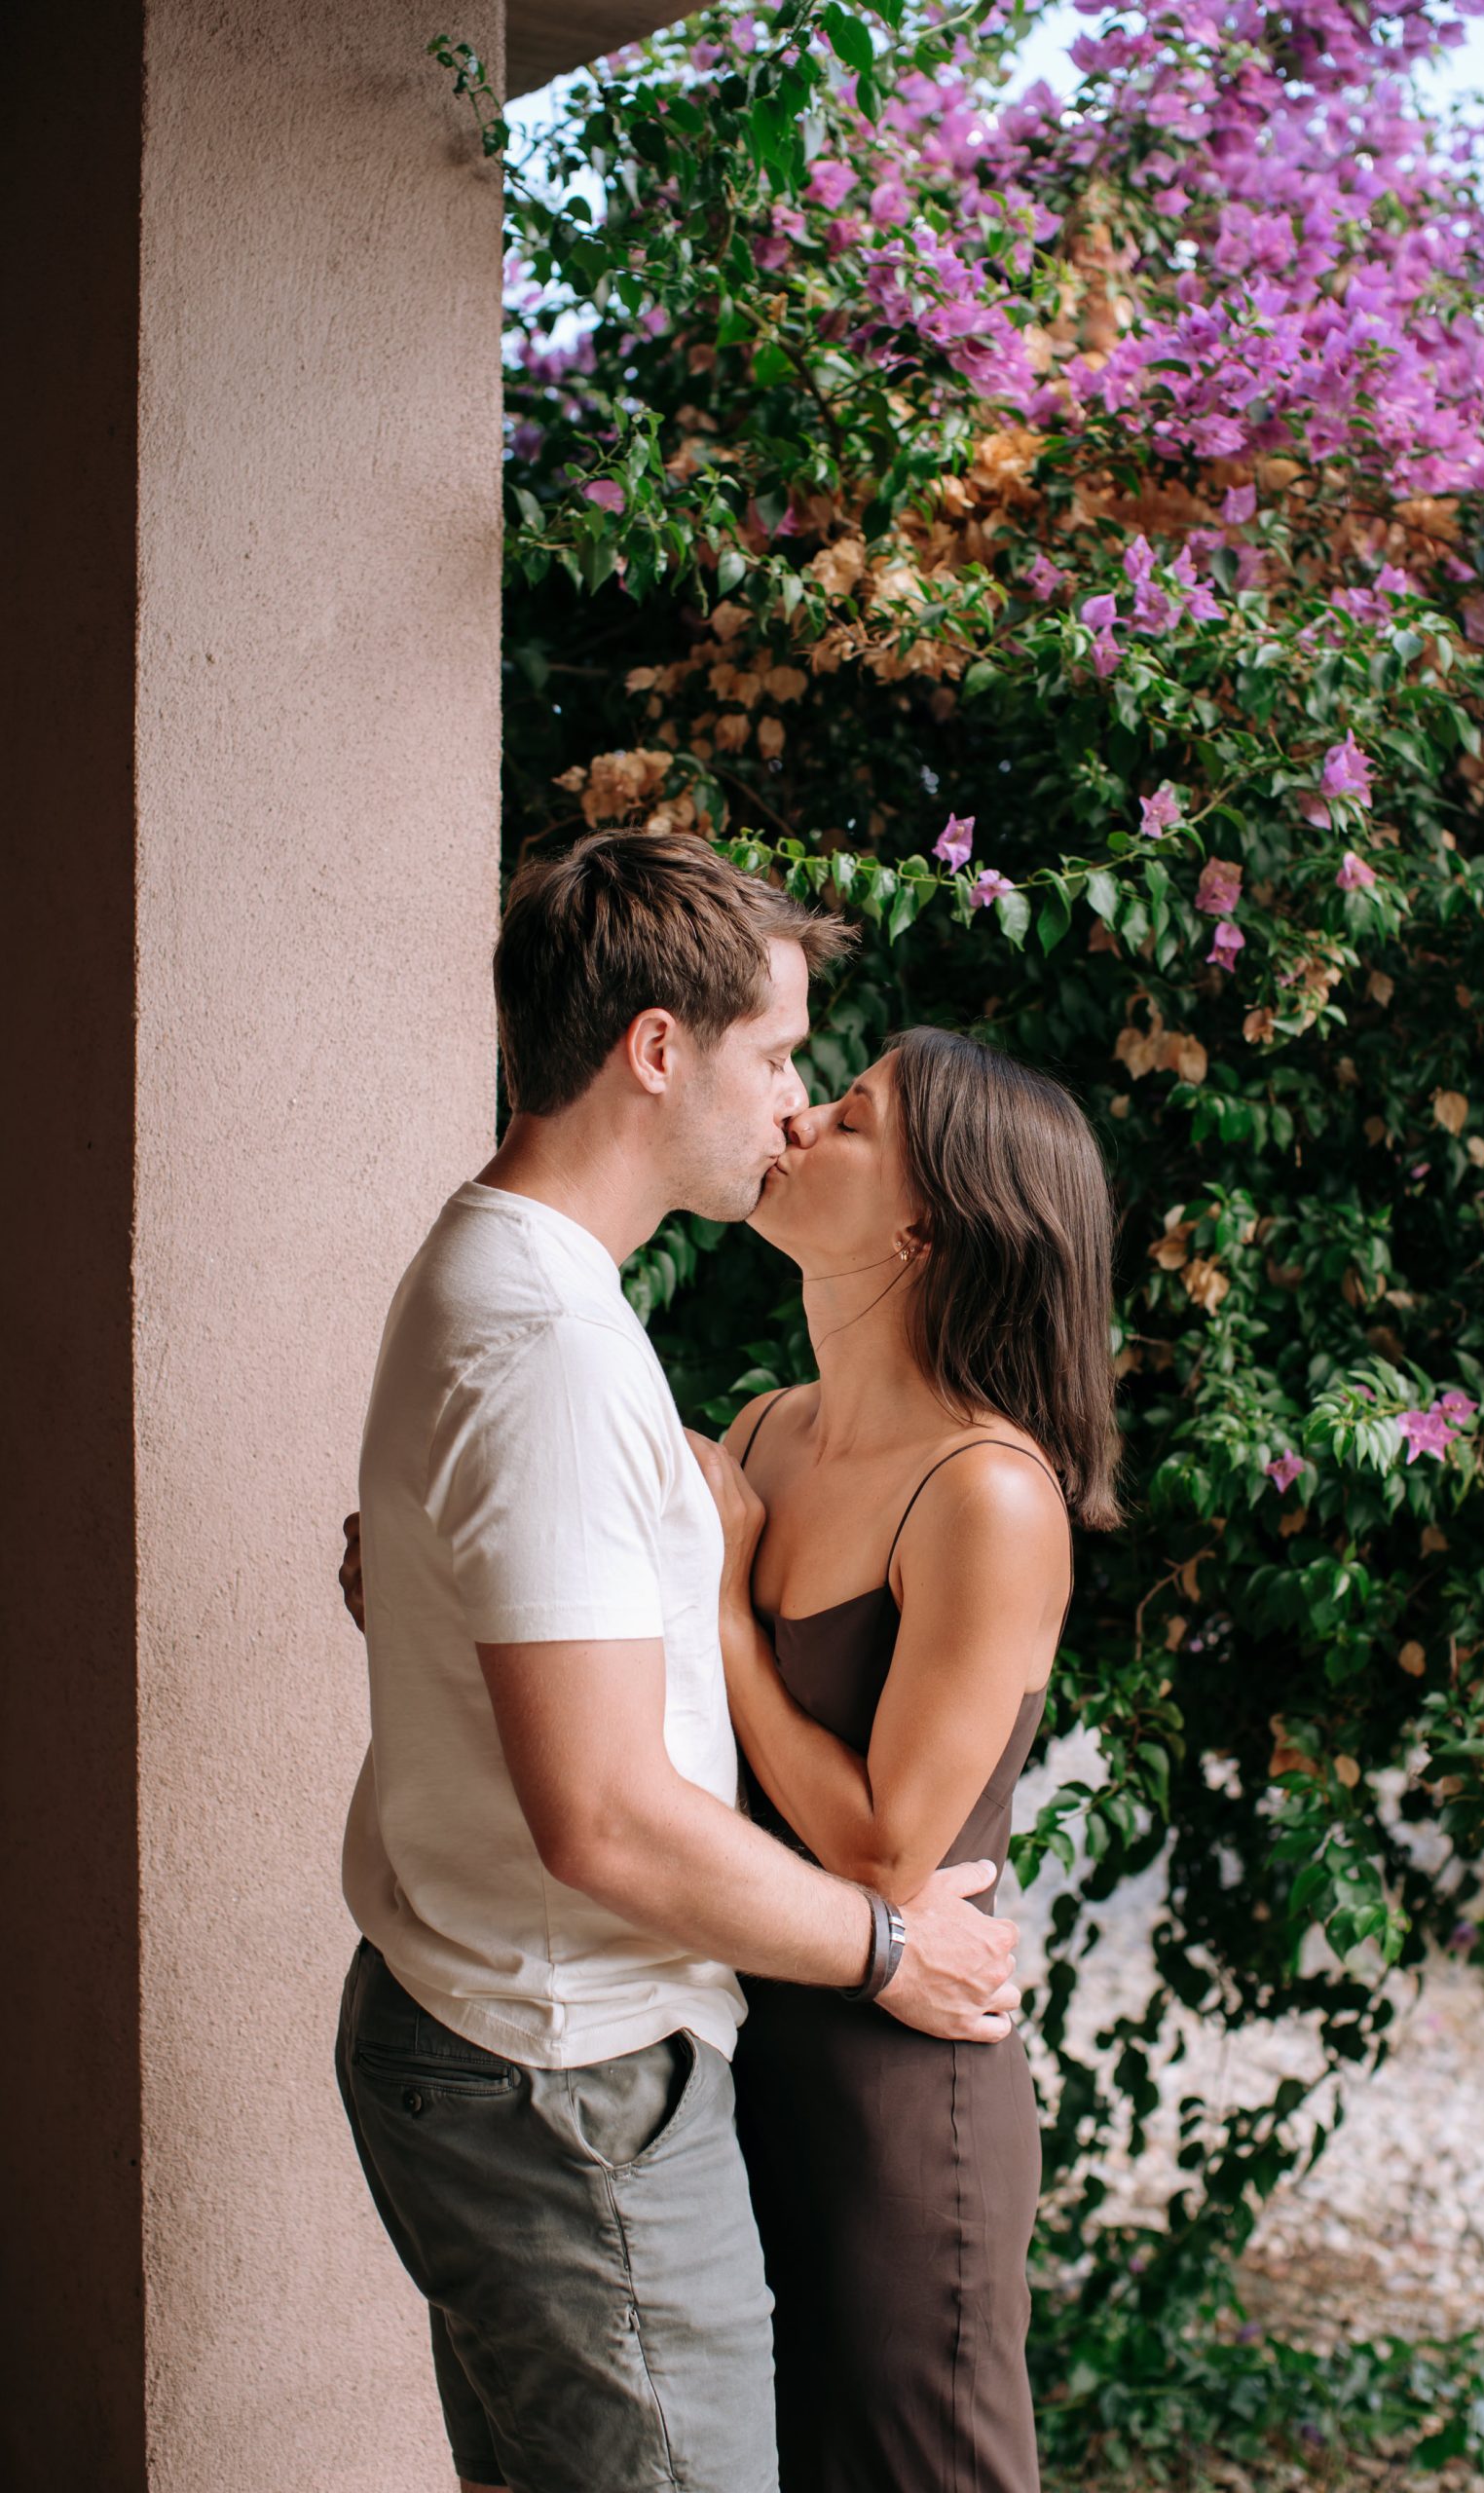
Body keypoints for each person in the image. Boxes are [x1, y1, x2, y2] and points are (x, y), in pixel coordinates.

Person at [333, 830, 1020, 2493]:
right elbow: (605, 1821)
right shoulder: (552, 1342)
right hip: (562, 2079)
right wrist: (886, 1949)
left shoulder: (510, 1273)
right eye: (776, 1055)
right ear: (657, 1049)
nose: (794, 1105)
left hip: (504, 2040)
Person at [687, 1024, 1121, 2493]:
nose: (797, 1119)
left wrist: (730, 1621)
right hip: (738, 2048)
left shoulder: (989, 1493)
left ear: (925, 1228)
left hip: (895, 2099)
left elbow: (884, 1848)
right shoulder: (768, 1428)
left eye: (851, 1117)